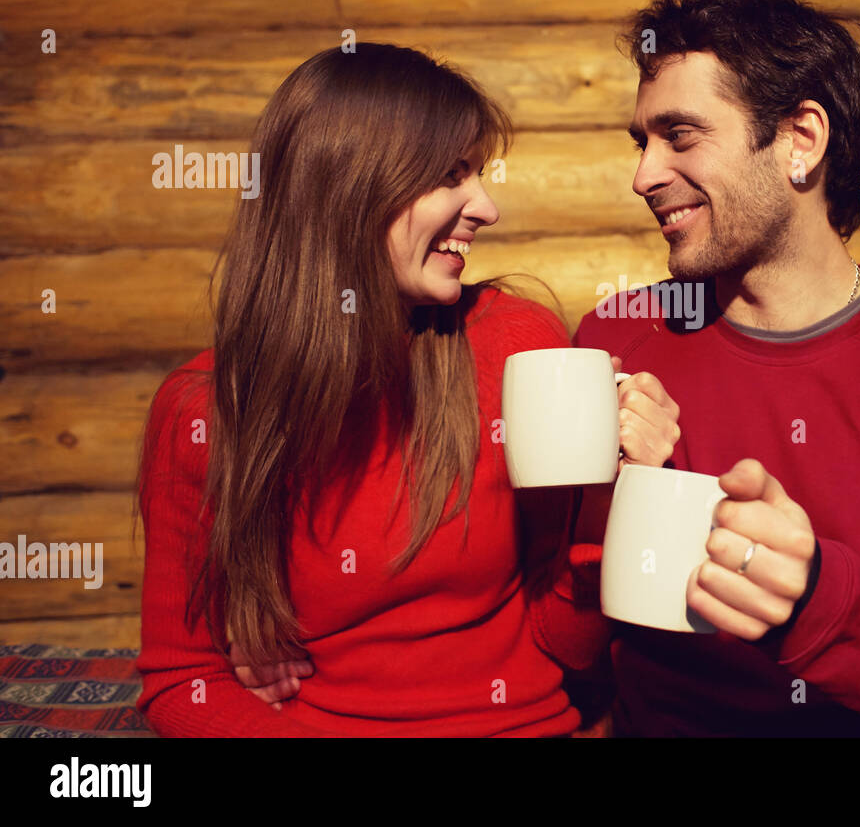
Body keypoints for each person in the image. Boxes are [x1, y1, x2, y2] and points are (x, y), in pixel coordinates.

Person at [238, 0, 860, 738]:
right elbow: (532, 600)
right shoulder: (615, 341)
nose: (644, 175)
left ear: (801, 139)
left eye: (680, 137)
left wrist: (822, 602)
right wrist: (276, 612)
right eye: (639, 142)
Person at [134, 42, 678, 736]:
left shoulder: (516, 345)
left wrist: (612, 501)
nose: (486, 206)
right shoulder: (203, 411)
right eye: (451, 174)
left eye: (478, 173)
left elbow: (563, 644)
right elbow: (186, 680)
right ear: (347, 186)